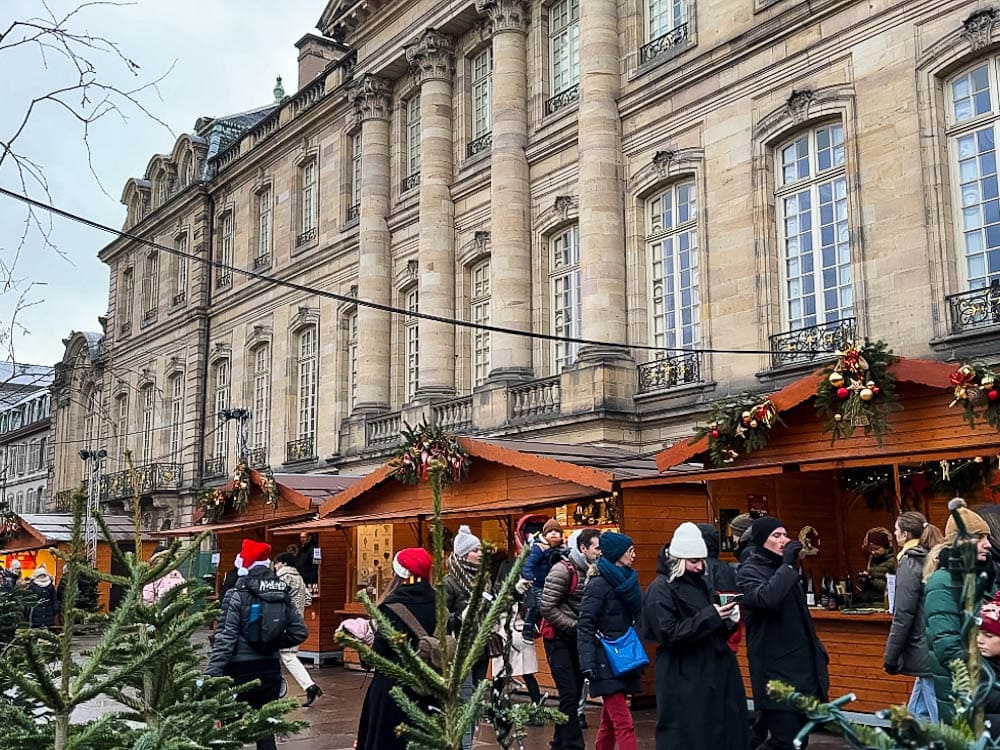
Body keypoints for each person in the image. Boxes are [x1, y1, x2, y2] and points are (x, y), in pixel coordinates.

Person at [643, 522, 749, 750]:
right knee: (690, 735)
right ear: (679, 561)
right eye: (694, 561)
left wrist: (729, 621)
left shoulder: (699, 583)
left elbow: (706, 625)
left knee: (718, 733)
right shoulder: (660, 589)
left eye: (701, 560)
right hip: (683, 676)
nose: (700, 566)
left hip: (709, 672)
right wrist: (712, 615)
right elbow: (669, 633)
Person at [205, 539, 307, 750]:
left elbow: (225, 639)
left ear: (244, 564)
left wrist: (211, 676)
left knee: (230, 731)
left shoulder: (236, 594)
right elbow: (300, 632)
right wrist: (273, 643)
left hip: (240, 672)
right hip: (269, 669)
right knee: (265, 730)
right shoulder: (282, 593)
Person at [738, 517, 829, 750]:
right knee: (785, 741)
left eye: (784, 534)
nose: (784, 540)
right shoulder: (749, 571)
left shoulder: (785, 570)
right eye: (776, 536)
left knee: (799, 740)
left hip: (802, 670)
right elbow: (767, 599)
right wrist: (788, 566)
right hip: (774, 671)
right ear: (761, 541)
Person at [355, 548, 436, 750]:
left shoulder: (391, 607)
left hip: (392, 690)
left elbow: (375, 657)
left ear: (399, 574)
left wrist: (361, 644)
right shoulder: (439, 602)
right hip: (431, 687)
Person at [923, 500, 993, 722]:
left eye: (988, 537)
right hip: (965, 697)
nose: (988, 544)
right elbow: (947, 647)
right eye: (979, 538)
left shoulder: (987, 577)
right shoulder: (942, 583)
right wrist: (992, 673)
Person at [578, 531, 644, 750]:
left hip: (623, 659)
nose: (634, 555)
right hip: (604, 661)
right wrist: (588, 664)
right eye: (629, 551)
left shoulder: (628, 581)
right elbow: (585, 626)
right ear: (617, 554)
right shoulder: (598, 585)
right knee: (624, 724)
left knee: (609, 723)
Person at [540, 527, 601, 750]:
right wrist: (576, 626)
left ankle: (559, 741)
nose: (600, 552)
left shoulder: (593, 570)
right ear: (582, 548)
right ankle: (574, 745)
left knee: (573, 693)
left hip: (577, 639)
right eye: (596, 547)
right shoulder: (562, 570)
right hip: (558, 639)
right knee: (568, 692)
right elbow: (546, 607)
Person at [883, 511, 944, 722]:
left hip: (923, 648)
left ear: (906, 534)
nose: (894, 533)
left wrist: (891, 656)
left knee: (938, 717)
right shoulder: (933, 555)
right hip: (933, 644)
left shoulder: (910, 562)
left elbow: (903, 614)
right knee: (916, 715)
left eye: (897, 529)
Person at [445, 525, 489, 750]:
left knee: (477, 701)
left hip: (482, 648)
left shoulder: (483, 579)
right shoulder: (450, 582)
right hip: (462, 651)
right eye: (475, 550)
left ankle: (468, 742)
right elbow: (441, 619)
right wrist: (459, 617)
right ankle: (464, 746)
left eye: (481, 550)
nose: (480, 554)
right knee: (465, 700)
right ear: (463, 554)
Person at [274, 551, 323, 707]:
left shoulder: (284, 577)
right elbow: (308, 599)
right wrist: (298, 607)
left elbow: (276, 596)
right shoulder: (299, 578)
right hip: (298, 622)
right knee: (288, 655)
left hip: (285, 623)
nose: (275, 566)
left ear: (283, 564)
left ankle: (309, 686)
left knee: (287, 656)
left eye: (277, 563)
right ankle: (308, 686)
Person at [519, 518, 566, 642]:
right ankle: (527, 630)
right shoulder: (539, 548)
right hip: (538, 583)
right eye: (551, 531)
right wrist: (528, 576)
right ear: (544, 535)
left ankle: (545, 627)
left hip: (554, 584)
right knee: (539, 606)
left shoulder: (563, 550)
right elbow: (530, 563)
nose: (554, 533)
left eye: (557, 531)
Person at [858, 527, 896, 605]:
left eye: (877, 549)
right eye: (871, 549)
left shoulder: (893, 561)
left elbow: (892, 587)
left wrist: (871, 579)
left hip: (884, 602)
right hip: (871, 600)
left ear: (885, 547)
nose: (873, 552)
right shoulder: (873, 559)